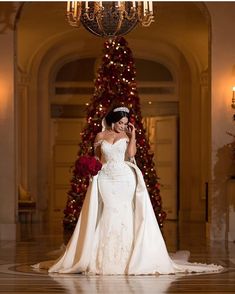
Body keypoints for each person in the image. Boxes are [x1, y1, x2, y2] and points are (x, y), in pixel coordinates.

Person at [33, 106, 223, 275]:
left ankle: (127, 258)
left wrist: (132, 137)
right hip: (106, 178)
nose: (123, 126)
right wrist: (90, 168)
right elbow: (98, 159)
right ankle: (101, 257)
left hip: (125, 178)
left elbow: (131, 155)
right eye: (121, 123)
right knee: (108, 211)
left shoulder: (126, 136)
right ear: (113, 121)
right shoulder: (100, 136)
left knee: (123, 212)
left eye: (126, 123)